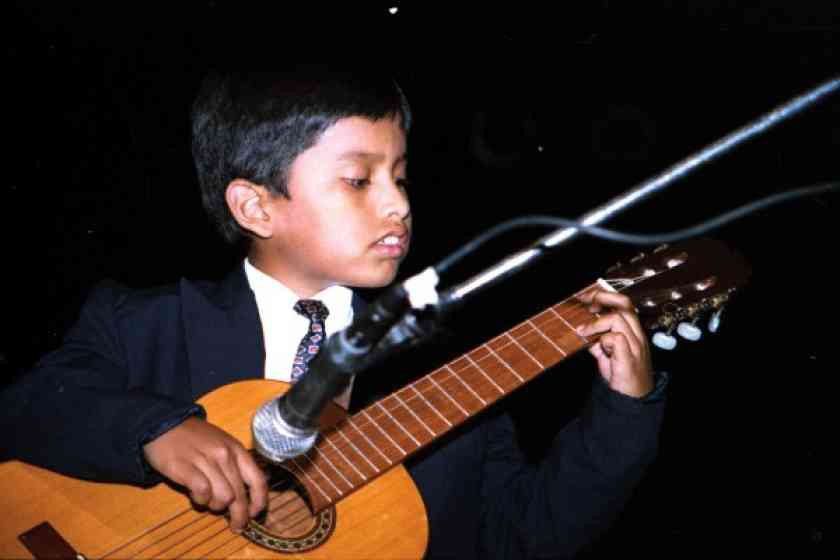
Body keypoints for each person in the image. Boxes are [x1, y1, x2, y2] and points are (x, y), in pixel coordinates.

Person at [0, 67, 666, 559]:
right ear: (255, 206)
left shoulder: (443, 375)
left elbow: (524, 537)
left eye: (400, 177)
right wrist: (156, 431)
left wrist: (623, 410)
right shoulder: (144, 324)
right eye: (359, 180)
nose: (399, 204)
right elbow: (28, 408)